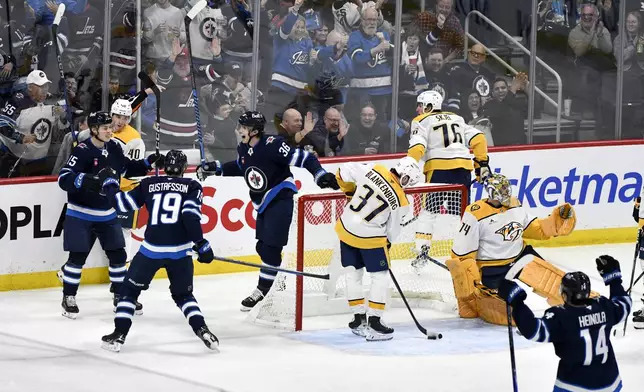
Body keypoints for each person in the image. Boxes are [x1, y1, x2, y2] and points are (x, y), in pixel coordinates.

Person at [196, 111, 340, 311]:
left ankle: (263, 290)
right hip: (263, 202)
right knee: (263, 248)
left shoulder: (273, 144)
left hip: (281, 197)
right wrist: (217, 168)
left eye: (243, 127)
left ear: (254, 131)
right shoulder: (244, 148)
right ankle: (277, 278)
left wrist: (319, 174)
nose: (239, 130)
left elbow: (305, 158)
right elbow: (242, 166)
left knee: (271, 249)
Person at [100, 150, 219, 353]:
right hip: (180, 253)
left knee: (128, 292)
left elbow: (121, 205)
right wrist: (201, 243)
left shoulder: (148, 184)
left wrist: (110, 184)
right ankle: (202, 329)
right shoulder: (193, 186)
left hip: (151, 251)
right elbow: (190, 217)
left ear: (164, 168)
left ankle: (119, 334)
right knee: (184, 296)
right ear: (183, 169)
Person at [56, 111, 164, 319]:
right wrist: (88, 180)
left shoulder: (114, 147)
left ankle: (119, 295)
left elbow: (126, 168)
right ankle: (69, 296)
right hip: (80, 213)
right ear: (94, 130)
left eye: (110, 126)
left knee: (118, 255)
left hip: (107, 212)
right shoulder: (82, 151)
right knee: (77, 257)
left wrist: (148, 162)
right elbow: (64, 178)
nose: (110, 130)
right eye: (105, 128)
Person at [446, 173, 585, 326]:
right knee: (509, 315)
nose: (506, 193)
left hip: (520, 257)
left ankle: (580, 303)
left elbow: (531, 227)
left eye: (507, 189)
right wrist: (469, 283)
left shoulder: (515, 203)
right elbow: (461, 255)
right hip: (492, 268)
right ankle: (475, 302)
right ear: (492, 192)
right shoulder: (475, 214)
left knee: (558, 286)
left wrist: (552, 226)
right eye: (502, 190)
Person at [499, 255, 632, 392]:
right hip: (610, 383)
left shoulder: (562, 316)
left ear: (564, 294)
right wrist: (614, 281)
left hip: (574, 386)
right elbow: (624, 306)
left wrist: (517, 301)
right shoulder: (604, 306)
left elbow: (534, 330)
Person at [334, 157, 422, 340]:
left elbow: (344, 171)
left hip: (346, 228)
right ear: (405, 178)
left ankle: (358, 320)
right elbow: (392, 231)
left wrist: (350, 193)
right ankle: (374, 322)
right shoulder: (402, 201)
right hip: (370, 238)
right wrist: (386, 244)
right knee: (380, 276)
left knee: (353, 273)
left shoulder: (376, 168)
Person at [407, 90, 489, 269]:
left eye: (420, 105)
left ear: (428, 106)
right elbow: (479, 138)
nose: (417, 109)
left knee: (429, 212)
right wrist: (481, 164)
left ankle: (421, 252)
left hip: (439, 171)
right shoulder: (457, 118)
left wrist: (407, 165)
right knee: (461, 215)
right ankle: (464, 254)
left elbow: (418, 145)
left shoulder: (421, 120)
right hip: (463, 171)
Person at [109, 98, 146, 261]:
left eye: (125, 118)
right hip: (104, 189)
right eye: (118, 116)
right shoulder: (102, 129)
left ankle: (123, 266)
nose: (121, 121)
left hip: (126, 191)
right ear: (112, 115)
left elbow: (135, 172)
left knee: (124, 230)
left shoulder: (134, 138)